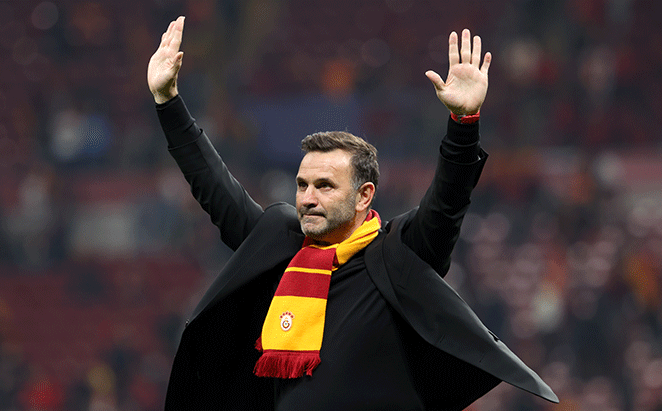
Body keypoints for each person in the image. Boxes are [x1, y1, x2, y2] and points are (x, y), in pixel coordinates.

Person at [147, 16, 559, 410]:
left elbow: (448, 202)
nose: (308, 197)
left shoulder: (397, 255)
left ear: (364, 196)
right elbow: (214, 187)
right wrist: (168, 101)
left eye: (325, 186)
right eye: (302, 185)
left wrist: (464, 123)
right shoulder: (279, 245)